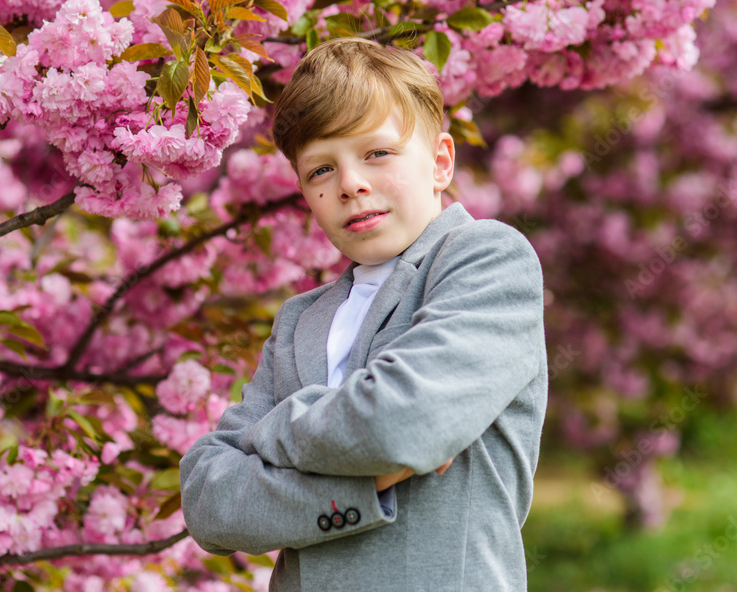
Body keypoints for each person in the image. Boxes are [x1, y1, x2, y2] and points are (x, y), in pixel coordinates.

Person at [179, 37, 548, 591]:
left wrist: (265, 437)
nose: (351, 183)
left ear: (440, 162)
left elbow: (406, 424)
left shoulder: (486, 259)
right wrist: (365, 484)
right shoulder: (299, 320)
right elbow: (209, 501)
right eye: (321, 170)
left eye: (376, 153)